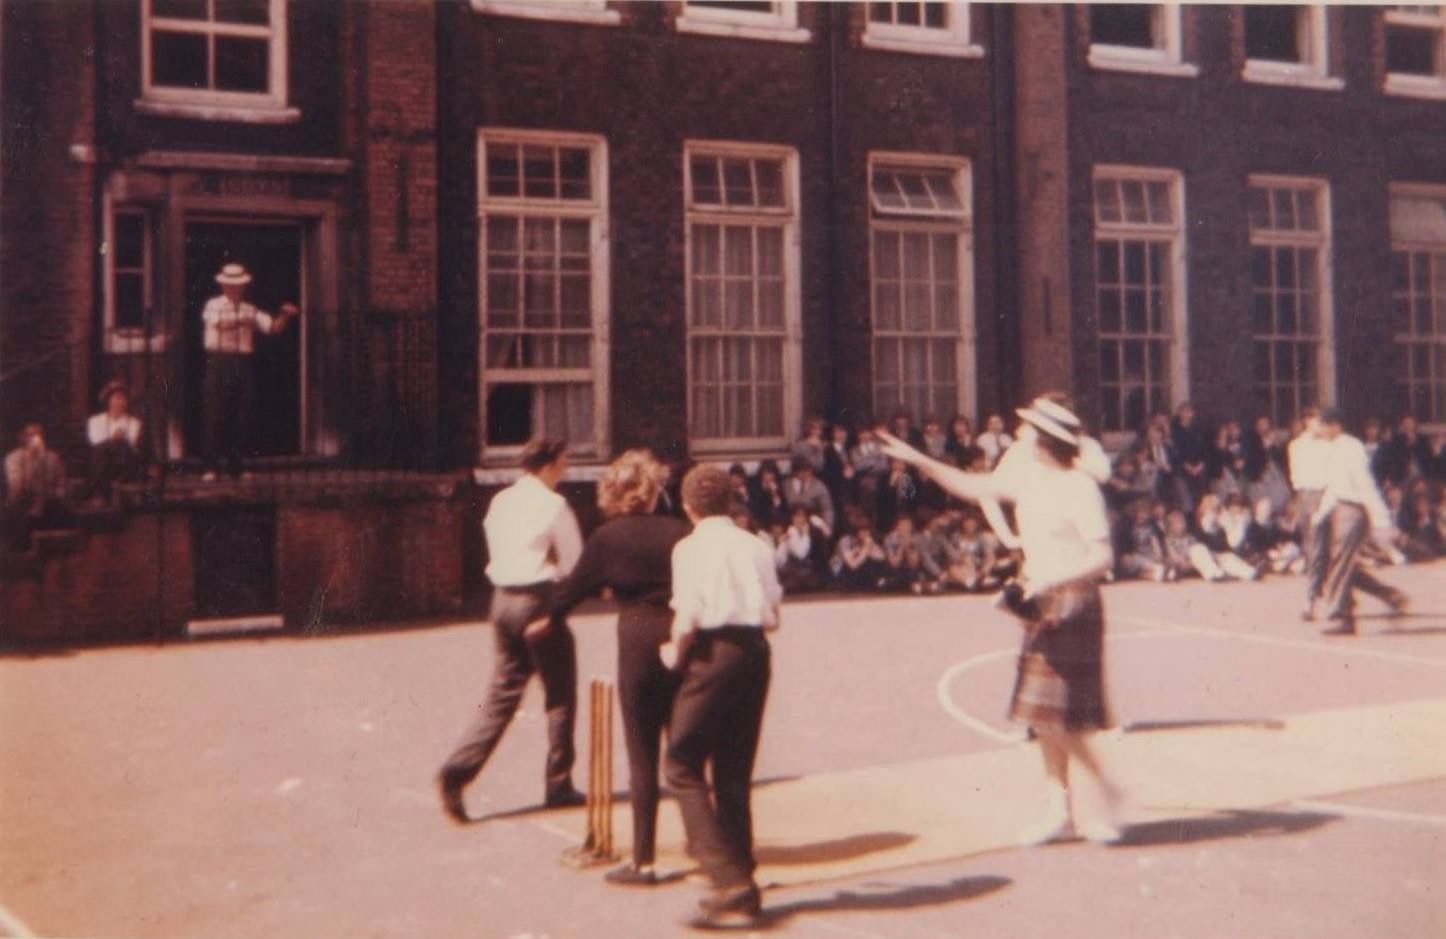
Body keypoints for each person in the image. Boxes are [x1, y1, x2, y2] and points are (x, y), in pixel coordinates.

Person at [879, 399, 1125, 845]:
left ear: (1046, 441)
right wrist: (917, 460)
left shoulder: (1079, 487)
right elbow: (971, 485)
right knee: (1044, 718)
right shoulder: (1027, 478)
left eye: (1027, 430)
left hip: (1072, 600)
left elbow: (1102, 556)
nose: (1020, 435)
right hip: (1041, 597)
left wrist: (1050, 576)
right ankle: (1061, 812)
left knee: (1062, 719)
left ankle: (1107, 793)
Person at [547, 450, 689, 885]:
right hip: (684, 637)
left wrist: (542, 620)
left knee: (642, 751)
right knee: (684, 750)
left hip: (638, 643)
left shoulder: (608, 538)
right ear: (652, 490)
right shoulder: (681, 532)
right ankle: (706, 843)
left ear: (612, 491)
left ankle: (643, 860)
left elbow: (570, 593)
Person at [437, 439, 585, 823]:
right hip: (538, 600)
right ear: (549, 465)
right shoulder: (554, 506)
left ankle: (457, 770)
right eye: (564, 462)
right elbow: (574, 564)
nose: (566, 469)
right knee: (560, 690)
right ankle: (559, 782)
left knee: (503, 692)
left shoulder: (501, 501)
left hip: (501, 601)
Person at [659, 465, 781, 928]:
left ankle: (726, 877)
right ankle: (742, 874)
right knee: (734, 767)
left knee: (682, 761)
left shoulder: (688, 549)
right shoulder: (756, 545)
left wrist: (675, 651)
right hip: (754, 650)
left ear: (688, 507)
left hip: (713, 652)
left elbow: (687, 613)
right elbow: (772, 614)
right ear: (732, 503)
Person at [1311, 409, 1409, 635]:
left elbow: (1365, 484)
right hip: (1338, 507)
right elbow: (1334, 487)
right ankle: (1390, 595)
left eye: (1321, 425)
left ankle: (1341, 615)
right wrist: (1321, 514)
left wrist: (1381, 519)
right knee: (1336, 563)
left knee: (1341, 562)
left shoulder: (1351, 448)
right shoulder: (1332, 448)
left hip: (1354, 510)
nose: (1319, 431)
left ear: (1334, 425)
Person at [200, 263, 300, 480]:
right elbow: (218, 324)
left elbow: (272, 328)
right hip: (219, 360)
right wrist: (241, 320)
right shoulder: (213, 305)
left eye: (239, 286)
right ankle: (211, 467)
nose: (235, 289)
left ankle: (237, 466)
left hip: (243, 362)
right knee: (216, 412)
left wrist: (284, 315)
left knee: (242, 412)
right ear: (224, 286)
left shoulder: (249, 308)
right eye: (231, 285)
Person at [1288, 407, 1332, 620]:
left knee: (1319, 549)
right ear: (1307, 421)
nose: (1320, 425)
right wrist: (1298, 502)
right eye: (1317, 421)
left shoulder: (1327, 445)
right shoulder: (1296, 446)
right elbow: (1296, 476)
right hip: (1305, 496)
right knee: (1312, 549)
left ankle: (1310, 599)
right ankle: (1327, 591)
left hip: (1323, 495)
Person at [3, 423, 72, 550]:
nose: (35, 438)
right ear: (23, 438)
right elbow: (17, 487)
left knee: (59, 509)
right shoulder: (13, 458)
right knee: (20, 510)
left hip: (49, 501)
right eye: (31, 435)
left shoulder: (53, 457)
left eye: (38, 434)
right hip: (24, 502)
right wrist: (32, 459)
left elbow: (62, 483)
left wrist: (57, 495)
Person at [85, 380, 145, 503]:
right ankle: (100, 494)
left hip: (124, 459)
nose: (120, 402)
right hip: (103, 459)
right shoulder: (95, 421)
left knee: (122, 446)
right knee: (101, 450)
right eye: (116, 398)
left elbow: (132, 442)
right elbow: (95, 440)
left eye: (123, 399)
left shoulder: (134, 423)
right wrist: (113, 438)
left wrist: (116, 439)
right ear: (108, 401)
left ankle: (119, 490)